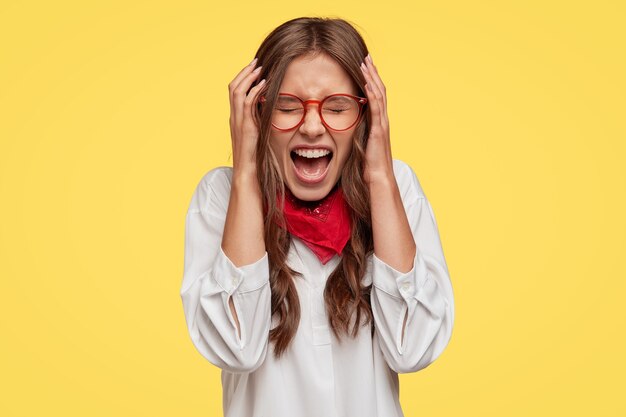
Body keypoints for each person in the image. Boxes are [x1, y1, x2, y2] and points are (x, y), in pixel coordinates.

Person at [180, 16, 455, 417]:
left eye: (338, 108)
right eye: (287, 107)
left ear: (364, 115)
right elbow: (235, 349)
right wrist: (244, 174)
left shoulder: (396, 190)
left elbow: (412, 348)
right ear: (257, 114)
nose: (311, 126)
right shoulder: (221, 196)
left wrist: (379, 176)